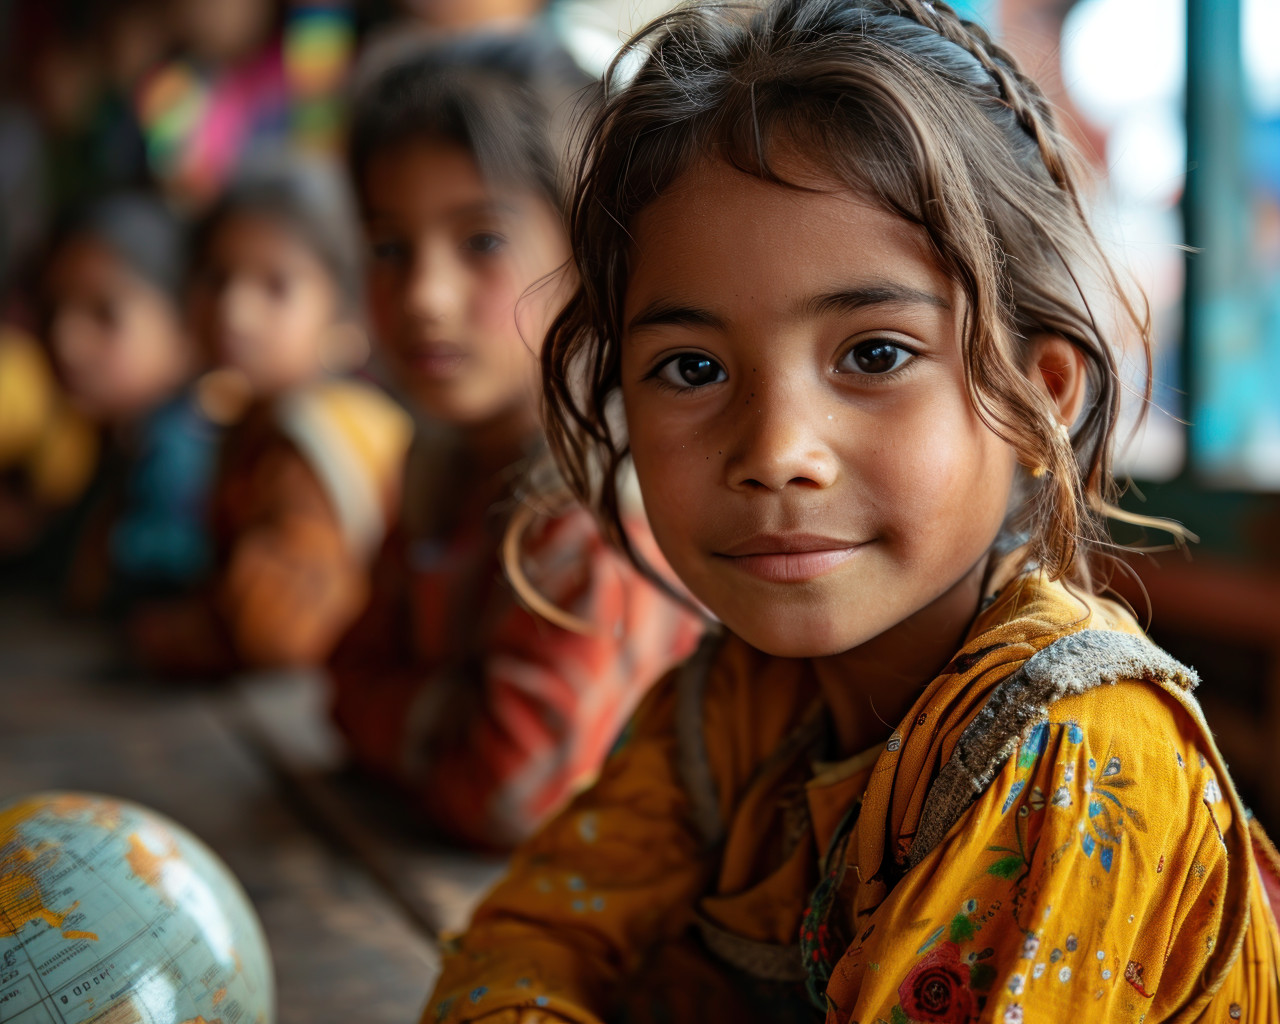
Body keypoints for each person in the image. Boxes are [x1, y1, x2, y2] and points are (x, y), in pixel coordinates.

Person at [423, 1, 1280, 1021]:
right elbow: (524, 945)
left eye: (874, 354)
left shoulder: (1074, 754)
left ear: (1039, 392)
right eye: (689, 367)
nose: (776, 452)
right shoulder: (738, 705)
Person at [328, 30, 704, 849]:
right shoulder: (440, 462)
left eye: (482, 242)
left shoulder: (605, 504)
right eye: (389, 248)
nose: (425, 296)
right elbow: (343, 680)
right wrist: (440, 719)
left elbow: (510, 791)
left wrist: (411, 710)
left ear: (586, 253)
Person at [132, 160, 412, 676]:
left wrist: (200, 635)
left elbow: (281, 632)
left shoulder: (314, 437)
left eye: (276, 286)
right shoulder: (249, 419)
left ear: (344, 309)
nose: (234, 310)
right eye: (216, 278)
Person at [42, 191, 214, 610]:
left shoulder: (180, 452)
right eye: (54, 310)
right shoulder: (109, 443)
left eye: (104, 314)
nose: (67, 342)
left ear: (187, 327)